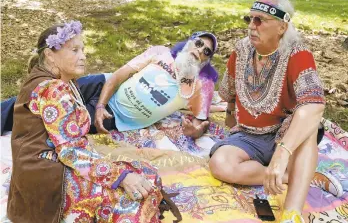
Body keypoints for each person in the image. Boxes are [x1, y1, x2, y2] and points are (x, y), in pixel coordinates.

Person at [7, 21, 165, 223]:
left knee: (146, 175)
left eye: (83, 49)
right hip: (48, 179)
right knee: (134, 191)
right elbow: (70, 151)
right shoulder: (52, 89)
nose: (83, 56)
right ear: (50, 55)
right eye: (74, 50)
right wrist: (120, 176)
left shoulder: (60, 82)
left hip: (44, 169)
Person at [208, 0, 344, 223]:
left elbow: (314, 105)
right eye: (249, 19)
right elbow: (229, 93)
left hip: (287, 135)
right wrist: (230, 115)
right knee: (220, 164)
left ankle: (292, 213)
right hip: (249, 135)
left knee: (308, 122)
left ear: (282, 26)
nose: (252, 26)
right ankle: (297, 176)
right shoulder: (240, 51)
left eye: (260, 20)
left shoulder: (298, 54)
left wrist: (282, 153)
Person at [94, 31, 219, 139]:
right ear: (189, 42)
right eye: (198, 43)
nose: (200, 50)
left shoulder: (203, 85)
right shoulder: (161, 52)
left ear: (207, 60)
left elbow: (201, 119)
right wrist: (100, 105)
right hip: (103, 86)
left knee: (79, 121)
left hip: (115, 115)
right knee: (74, 88)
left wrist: (195, 132)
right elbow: (118, 75)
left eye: (207, 51)